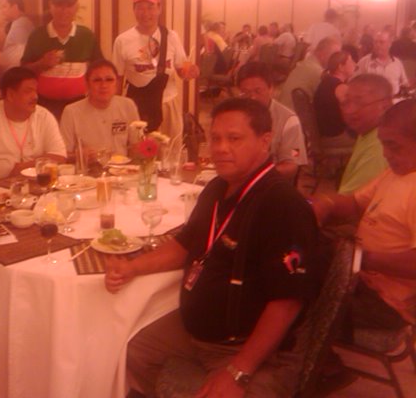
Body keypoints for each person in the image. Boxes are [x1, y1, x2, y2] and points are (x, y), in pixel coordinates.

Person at [105, 98, 319, 397]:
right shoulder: (216, 188)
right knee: (131, 351)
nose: (220, 148)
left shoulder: (283, 205)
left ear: (265, 141)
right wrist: (132, 267)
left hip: (248, 348)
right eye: (215, 138)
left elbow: (286, 303)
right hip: (196, 332)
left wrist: (238, 371)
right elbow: (184, 245)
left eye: (234, 138)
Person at [311, 99, 416, 335]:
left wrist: (360, 259)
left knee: (295, 286)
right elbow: (355, 204)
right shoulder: (396, 174)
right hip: (361, 280)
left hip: (385, 303)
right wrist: (326, 204)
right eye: (383, 145)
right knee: (293, 260)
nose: (386, 154)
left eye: (394, 147)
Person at [112, 0, 199, 136]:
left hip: (168, 103)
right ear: (134, 10)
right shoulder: (122, 41)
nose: (145, 13)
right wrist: (116, 108)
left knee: (170, 146)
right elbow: (117, 78)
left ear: (159, 9)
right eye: (140, 8)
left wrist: (191, 72)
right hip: (137, 105)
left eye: (150, 7)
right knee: (139, 147)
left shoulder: (171, 37)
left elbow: (182, 71)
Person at [0, 66, 66, 181]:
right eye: (28, 91)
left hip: (37, 184)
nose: (35, 96)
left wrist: (26, 167)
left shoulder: (43, 116)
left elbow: (59, 156)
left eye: (35, 91)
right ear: (10, 95)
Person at [21, 0, 103, 119]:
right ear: (50, 6)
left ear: (76, 7)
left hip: (80, 104)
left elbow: (99, 69)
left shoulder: (87, 35)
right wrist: (41, 64)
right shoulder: (37, 35)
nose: (64, 10)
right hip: (44, 105)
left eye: (69, 5)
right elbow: (23, 71)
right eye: (59, 5)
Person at [237, 62, 307, 180]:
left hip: (270, 183)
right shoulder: (234, 115)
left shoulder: (288, 120)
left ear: (271, 89)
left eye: (258, 91)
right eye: (246, 92)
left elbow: (292, 164)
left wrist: (255, 175)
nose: (252, 97)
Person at [60, 59, 140, 159]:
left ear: (117, 83)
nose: (104, 85)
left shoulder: (128, 105)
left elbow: (137, 147)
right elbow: (62, 155)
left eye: (109, 80)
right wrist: (79, 155)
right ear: (87, 85)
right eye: (97, 80)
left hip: (122, 167)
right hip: (89, 168)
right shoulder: (71, 112)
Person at [338, 74, 392, 194]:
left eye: (359, 103)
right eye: (346, 102)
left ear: (384, 106)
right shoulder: (368, 131)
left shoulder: (380, 147)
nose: (349, 110)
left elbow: (353, 202)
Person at [278, 36, 341, 109]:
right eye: (334, 56)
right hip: (293, 114)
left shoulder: (307, 63)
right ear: (322, 55)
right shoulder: (317, 72)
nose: (337, 60)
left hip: (283, 109)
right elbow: (332, 100)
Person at [313, 50, 356, 148]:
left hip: (325, 135)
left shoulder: (326, 82)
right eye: (351, 61)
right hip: (336, 137)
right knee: (374, 141)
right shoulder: (340, 88)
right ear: (341, 67)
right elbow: (352, 115)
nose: (355, 64)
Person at [355, 31, 408, 96]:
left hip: (394, 99)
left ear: (389, 44)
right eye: (375, 42)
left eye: (381, 42)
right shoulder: (364, 62)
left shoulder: (397, 63)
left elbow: (404, 83)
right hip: (373, 99)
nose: (378, 45)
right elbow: (354, 82)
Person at [0, 0, 35, 71]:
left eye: (4, 6)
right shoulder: (20, 23)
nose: (2, 11)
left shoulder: (20, 24)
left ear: (15, 7)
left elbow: (20, 56)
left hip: (15, 73)